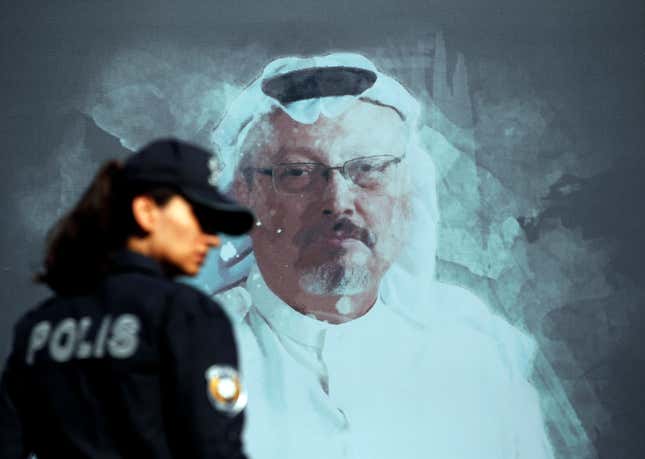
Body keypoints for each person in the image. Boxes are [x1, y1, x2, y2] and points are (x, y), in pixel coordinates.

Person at [205, 54, 555, 458]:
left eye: (369, 169)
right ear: (246, 196)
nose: (338, 202)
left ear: (407, 193)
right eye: (298, 173)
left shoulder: (477, 358)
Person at [0, 138, 254, 459]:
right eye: (200, 217)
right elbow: (215, 449)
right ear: (147, 211)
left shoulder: (38, 327)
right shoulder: (184, 313)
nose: (211, 237)